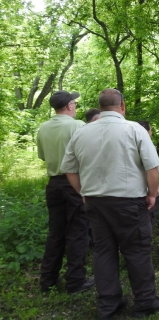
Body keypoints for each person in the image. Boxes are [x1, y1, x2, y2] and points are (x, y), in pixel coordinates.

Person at [61, 89, 159, 319]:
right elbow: (152, 167)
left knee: (104, 252)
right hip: (129, 202)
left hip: (96, 203)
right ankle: (144, 302)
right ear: (122, 106)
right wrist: (152, 194)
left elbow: (69, 169)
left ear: (100, 107)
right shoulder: (134, 129)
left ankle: (107, 304)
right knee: (137, 251)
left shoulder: (82, 132)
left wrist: (83, 192)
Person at [37, 90, 93, 294]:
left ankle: (48, 279)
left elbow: (43, 157)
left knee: (56, 232)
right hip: (75, 184)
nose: (76, 107)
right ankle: (75, 281)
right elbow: (89, 156)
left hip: (53, 185)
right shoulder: (78, 126)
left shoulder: (43, 128)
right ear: (69, 106)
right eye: (75, 103)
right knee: (78, 232)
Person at [137, 120, 159, 226]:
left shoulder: (130, 144)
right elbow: (152, 169)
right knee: (148, 220)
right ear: (148, 131)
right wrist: (155, 190)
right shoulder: (149, 145)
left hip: (135, 192)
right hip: (147, 191)